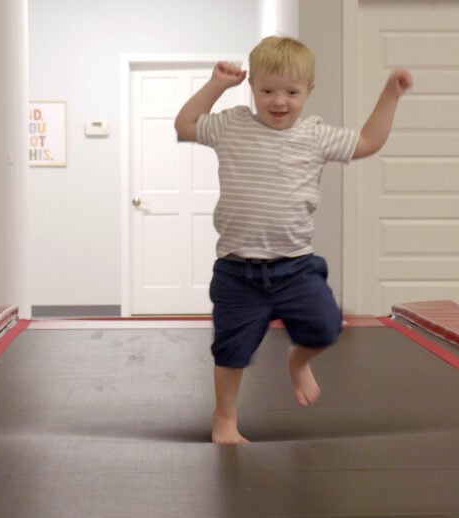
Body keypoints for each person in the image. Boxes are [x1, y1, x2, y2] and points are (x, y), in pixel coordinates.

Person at [175, 36, 413, 444]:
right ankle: (224, 420)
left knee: (326, 327)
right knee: (230, 351)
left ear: (309, 92)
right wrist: (216, 85)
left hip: (294, 266)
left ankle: (298, 361)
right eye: (267, 91)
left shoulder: (315, 136)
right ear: (253, 89)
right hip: (237, 269)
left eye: (291, 92)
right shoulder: (231, 124)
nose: (278, 101)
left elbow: (368, 142)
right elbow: (184, 126)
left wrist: (390, 95)